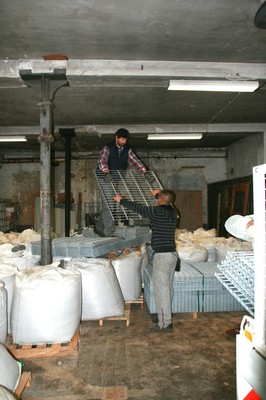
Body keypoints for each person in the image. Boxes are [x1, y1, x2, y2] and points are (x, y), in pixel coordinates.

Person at [113, 189, 178, 332]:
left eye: (158, 198)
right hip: (172, 255)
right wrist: (157, 194)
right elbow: (166, 201)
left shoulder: (157, 212)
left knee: (161, 290)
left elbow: (138, 207)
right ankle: (166, 317)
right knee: (167, 288)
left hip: (162, 256)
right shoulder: (173, 212)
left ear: (160, 200)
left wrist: (121, 200)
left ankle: (164, 324)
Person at [95, 128, 147, 237]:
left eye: (125, 140)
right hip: (105, 177)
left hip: (115, 178)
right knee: (109, 204)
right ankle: (109, 233)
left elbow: (135, 161)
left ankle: (98, 227)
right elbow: (102, 161)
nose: (124, 142)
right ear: (116, 137)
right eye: (122, 139)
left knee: (110, 203)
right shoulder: (108, 147)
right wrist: (106, 172)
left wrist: (144, 171)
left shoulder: (127, 149)